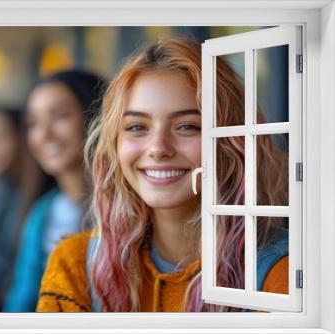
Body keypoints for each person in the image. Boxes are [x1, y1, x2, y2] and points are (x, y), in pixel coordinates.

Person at [36, 38, 289, 312]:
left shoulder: (282, 272)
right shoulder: (75, 267)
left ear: (230, 141)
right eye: (136, 127)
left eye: (187, 126)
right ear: (114, 143)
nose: (158, 148)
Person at [3, 70, 106, 312]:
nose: (44, 134)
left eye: (60, 116)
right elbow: (21, 302)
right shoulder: (41, 212)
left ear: (96, 117)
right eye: (33, 123)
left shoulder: (131, 210)